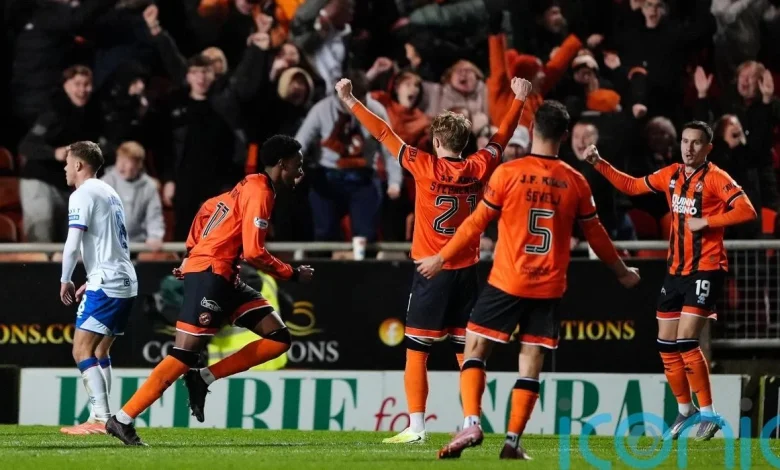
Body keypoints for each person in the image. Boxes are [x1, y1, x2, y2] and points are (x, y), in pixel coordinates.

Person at [415, 101, 641, 460]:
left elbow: (474, 223)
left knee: (475, 348)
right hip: (548, 285)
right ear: (564, 136)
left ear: (533, 129)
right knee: (531, 360)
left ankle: (471, 422)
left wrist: (441, 258)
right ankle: (512, 440)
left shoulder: (508, 173)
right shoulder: (576, 181)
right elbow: (596, 234)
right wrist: (622, 272)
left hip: (507, 279)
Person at [336, 74, 532, 444]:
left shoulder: (423, 165)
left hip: (431, 269)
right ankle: (471, 420)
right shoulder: (480, 165)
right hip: (467, 271)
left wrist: (350, 101)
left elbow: (383, 133)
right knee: (466, 351)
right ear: (465, 142)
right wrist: (519, 99)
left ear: (437, 141)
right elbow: (501, 137)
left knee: (417, 350)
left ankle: (416, 426)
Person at [105, 135, 315, 446]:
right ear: (282, 164)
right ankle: (122, 418)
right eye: (298, 163)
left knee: (279, 337)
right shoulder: (259, 191)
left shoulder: (249, 184)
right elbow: (254, 252)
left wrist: (191, 251)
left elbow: (208, 209)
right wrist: (292, 273)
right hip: (211, 275)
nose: (301, 170)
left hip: (224, 275)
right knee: (184, 354)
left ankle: (203, 377)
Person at [576, 121, 757, 441]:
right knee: (666, 344)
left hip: (707, 268)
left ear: (708, 148)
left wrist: (708, 221)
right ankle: (685, 409)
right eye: (685, 141)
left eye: (696, 142)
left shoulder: (716, 178)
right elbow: (632, 186)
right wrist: (599, 163)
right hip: (675, 270)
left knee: (686, 340)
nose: (689, 147)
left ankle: (709, 413)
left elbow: (747, 210)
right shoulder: (671, 174)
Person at [58, 141, 138, 435]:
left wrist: (66, 278)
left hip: (107, 281)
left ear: (79, 164)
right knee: (101, 349)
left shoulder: (82, 194)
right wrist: (91, 279)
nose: (65, 168)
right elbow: (111, 242)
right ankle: (99, 415)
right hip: (124, 279)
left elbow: (72, 244)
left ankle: (100, 418)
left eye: (68, 162)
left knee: (82, 350)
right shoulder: (109, 191)